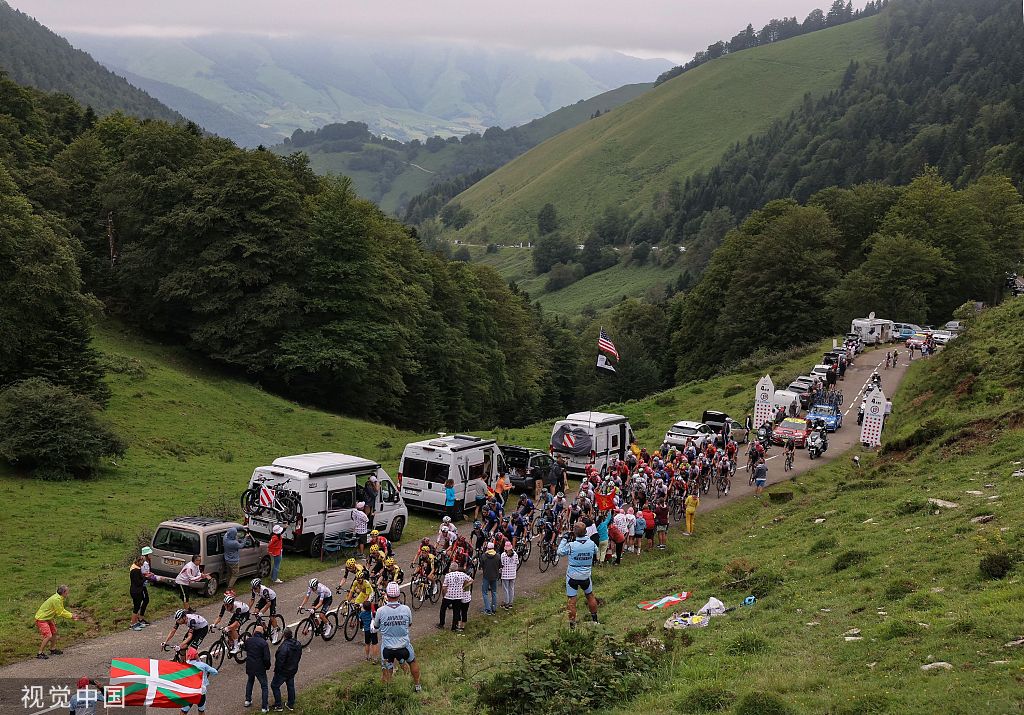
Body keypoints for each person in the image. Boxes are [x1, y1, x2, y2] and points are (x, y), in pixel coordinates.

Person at [372, 582, 422, 691]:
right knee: (412, 662)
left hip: (387, 648)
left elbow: (376, 625)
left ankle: (388, 691)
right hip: (404, 645)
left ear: (387, 595)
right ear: (399, 595)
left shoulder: (380, 611)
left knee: (386, 669)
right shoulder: (406, 609)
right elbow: (409, 624)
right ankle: (417, 685)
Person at [557, 522, 599, 629]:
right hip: (586, 576)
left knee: (572, 601)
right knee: (590, 596)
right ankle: (595, 620)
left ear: (574, 533)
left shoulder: (571, 545)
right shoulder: (591, 543)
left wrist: (565, 539)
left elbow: (560, 552)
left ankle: (572, 626)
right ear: (585, 532)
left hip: (572, 577)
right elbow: (596, 551)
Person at [35, 585, 78, 659]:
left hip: (48, 618)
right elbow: (60, 612)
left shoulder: (59, 598)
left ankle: (52, 649)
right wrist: (71, 616)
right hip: (42, 619)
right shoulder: (56, 599)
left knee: (54, 632)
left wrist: (71, 615)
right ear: (63, 592)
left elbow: (61, 609)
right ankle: (40, 653)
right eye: (67, 592)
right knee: (48, 636)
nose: (68, 594)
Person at [271, 628, 302, 711]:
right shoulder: (298, 644)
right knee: (290, 686)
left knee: (274, 686)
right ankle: (290, 704)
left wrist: (277, 671)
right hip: (292, 669)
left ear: (284, 635)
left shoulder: (284, 647)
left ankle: (278, 705)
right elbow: (299, 656)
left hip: (283, 671)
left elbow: (279, 661)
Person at [243, 625, 271, 713]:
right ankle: (264, 707)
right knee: (264, 686)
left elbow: (245, 648)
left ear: (254, 632)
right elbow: (266, 658)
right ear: (262, 632)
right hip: (260, 667)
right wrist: (267, 666)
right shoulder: (263, 643)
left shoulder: (248, 640)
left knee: (250, 681)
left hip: (250, 666)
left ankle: (247, 700)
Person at [182, 648, 218, 715]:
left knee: (184, 711)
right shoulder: (202, 665)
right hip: (201, 692)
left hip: (190, 692)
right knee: (201, 710)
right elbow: (215, 672)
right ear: (196, 655)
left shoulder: (185, 665)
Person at [439, 562, 473, 632]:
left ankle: (441, 624)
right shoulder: (462, 574)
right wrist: (464, 586)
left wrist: (444, 595)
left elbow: (444, 587)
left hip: (449, 595)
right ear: (457, 568)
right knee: (456, 611)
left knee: (443, 609)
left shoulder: (448, 575)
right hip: (458, 596)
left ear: (450, 568)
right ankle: (454, 627)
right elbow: (471, 580)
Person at [129, 556, 150, 631]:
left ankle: (136, 622)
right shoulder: (136, 570)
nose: (142, 565)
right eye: (141, 564)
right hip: (136, 591)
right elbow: (139, 582)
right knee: (136, 607)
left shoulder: (134, 568)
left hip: (135, 590)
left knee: (137, 607)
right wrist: (146, 577)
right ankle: (132, 624)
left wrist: (144, 576)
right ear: (139, 562)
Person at [479, 542, 500, 615]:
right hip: (495, 576)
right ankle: (493, 608)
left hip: (486, 576)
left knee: (485, 592)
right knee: (494, 592)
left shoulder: (484, 556)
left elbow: (481, 566)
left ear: (487, 548)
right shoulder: (497, 556)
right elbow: (500, 566)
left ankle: (487, 609)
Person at [499, 541, 519, 610]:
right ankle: (510, 603)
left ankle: (506, 603)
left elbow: (502, 564)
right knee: (511, 588)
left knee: (505, 589)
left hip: (505, 574)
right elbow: (517, 563)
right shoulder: (515, 554)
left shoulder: (503, 555)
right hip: (513, 574)